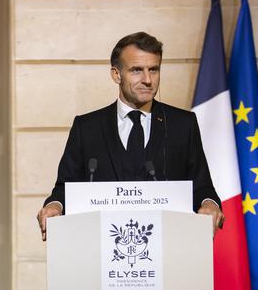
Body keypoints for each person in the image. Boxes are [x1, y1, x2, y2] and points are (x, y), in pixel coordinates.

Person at [37, 32, 223, 240]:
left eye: (153, 69)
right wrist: (54, 205)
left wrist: (210, 204)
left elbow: (202, 186)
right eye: (137, 70)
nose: (147, 80)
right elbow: (65, 187)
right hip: (101, 247)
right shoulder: (87, 127)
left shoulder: (183, 124)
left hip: (169, 246)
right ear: (116, 75)